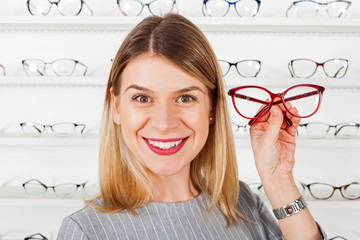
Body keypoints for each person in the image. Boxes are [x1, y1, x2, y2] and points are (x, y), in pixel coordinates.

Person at [57, 13, 326, 240]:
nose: (164, 123)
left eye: (185, 98)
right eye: (142, 98)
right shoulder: (86, 231)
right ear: (116, 107)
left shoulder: (242, 205)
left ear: (211, 108)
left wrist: (278, 179)